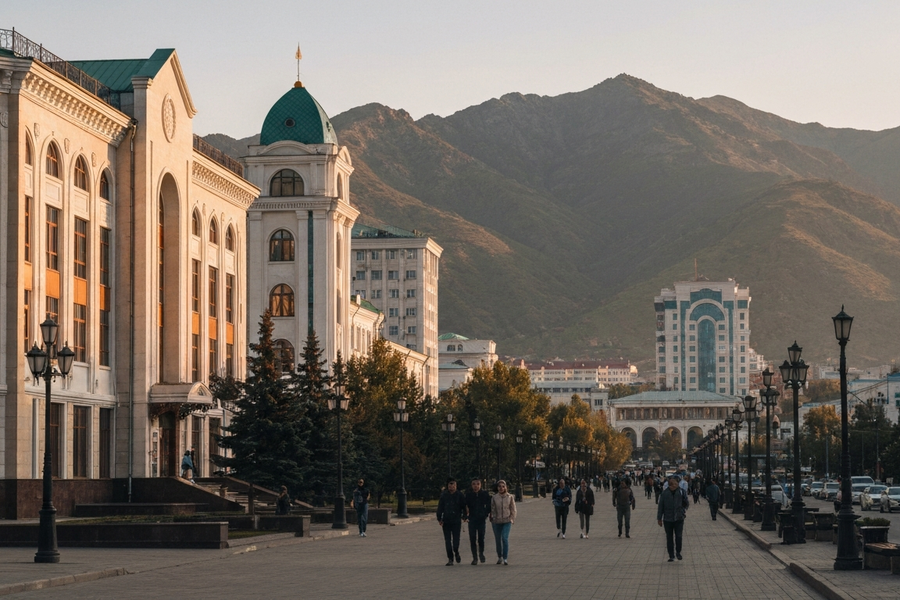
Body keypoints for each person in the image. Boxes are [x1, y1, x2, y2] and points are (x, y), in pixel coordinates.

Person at [657, 475, 689, 561]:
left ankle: (678, 552)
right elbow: (661, 506)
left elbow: (686, 503)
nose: (673, 485)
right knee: (669, 537)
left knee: (678, 536)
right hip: (668, 519)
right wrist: (659, 518)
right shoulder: (664, 493)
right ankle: (671, 555)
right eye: (671, 483)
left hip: (679, 518)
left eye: (674, 483)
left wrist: (682, 510)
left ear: (677, 483)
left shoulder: (681, 492)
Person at [436, 478, 467, 565]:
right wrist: (439, 518)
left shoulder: (460, 495)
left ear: (456, 486)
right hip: (446, 520)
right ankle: (450, 558)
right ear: (447, 486)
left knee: (456, 540)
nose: (452, 487)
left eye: (453, 485)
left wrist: (464, 516)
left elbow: (463, 507)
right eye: (450, 485)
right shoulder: (444, 495)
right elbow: (440, 507)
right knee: (447, 540)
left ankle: (456, 552)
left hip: (456, 520)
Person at [490, 479, 516, 565]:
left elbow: (513, 508)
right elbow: (492, 509)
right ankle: (499, 556)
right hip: (496, 521)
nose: (501, 488)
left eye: (503, 486)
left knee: (504, 538)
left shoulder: (510, 497)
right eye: (499, 486)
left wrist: (512, 518)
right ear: (497, 488)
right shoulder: (494, 497)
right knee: (498, 539)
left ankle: (505, 557)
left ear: (506, 487)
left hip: (506, 520)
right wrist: (492, 517)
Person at [464, 478, 491, 564]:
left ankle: (481, 553)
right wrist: (465, 516)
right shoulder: (468, 495)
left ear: (480, 485)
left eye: (478, 484)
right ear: (471, 485)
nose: (476, 486)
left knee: (481, 538)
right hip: (472, 519)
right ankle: (474, 557)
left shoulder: (484, 494)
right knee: (472, 538)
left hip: (481, 519)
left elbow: (489, 505)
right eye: (474, 484)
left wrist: (485, 514)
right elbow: (464, 506)